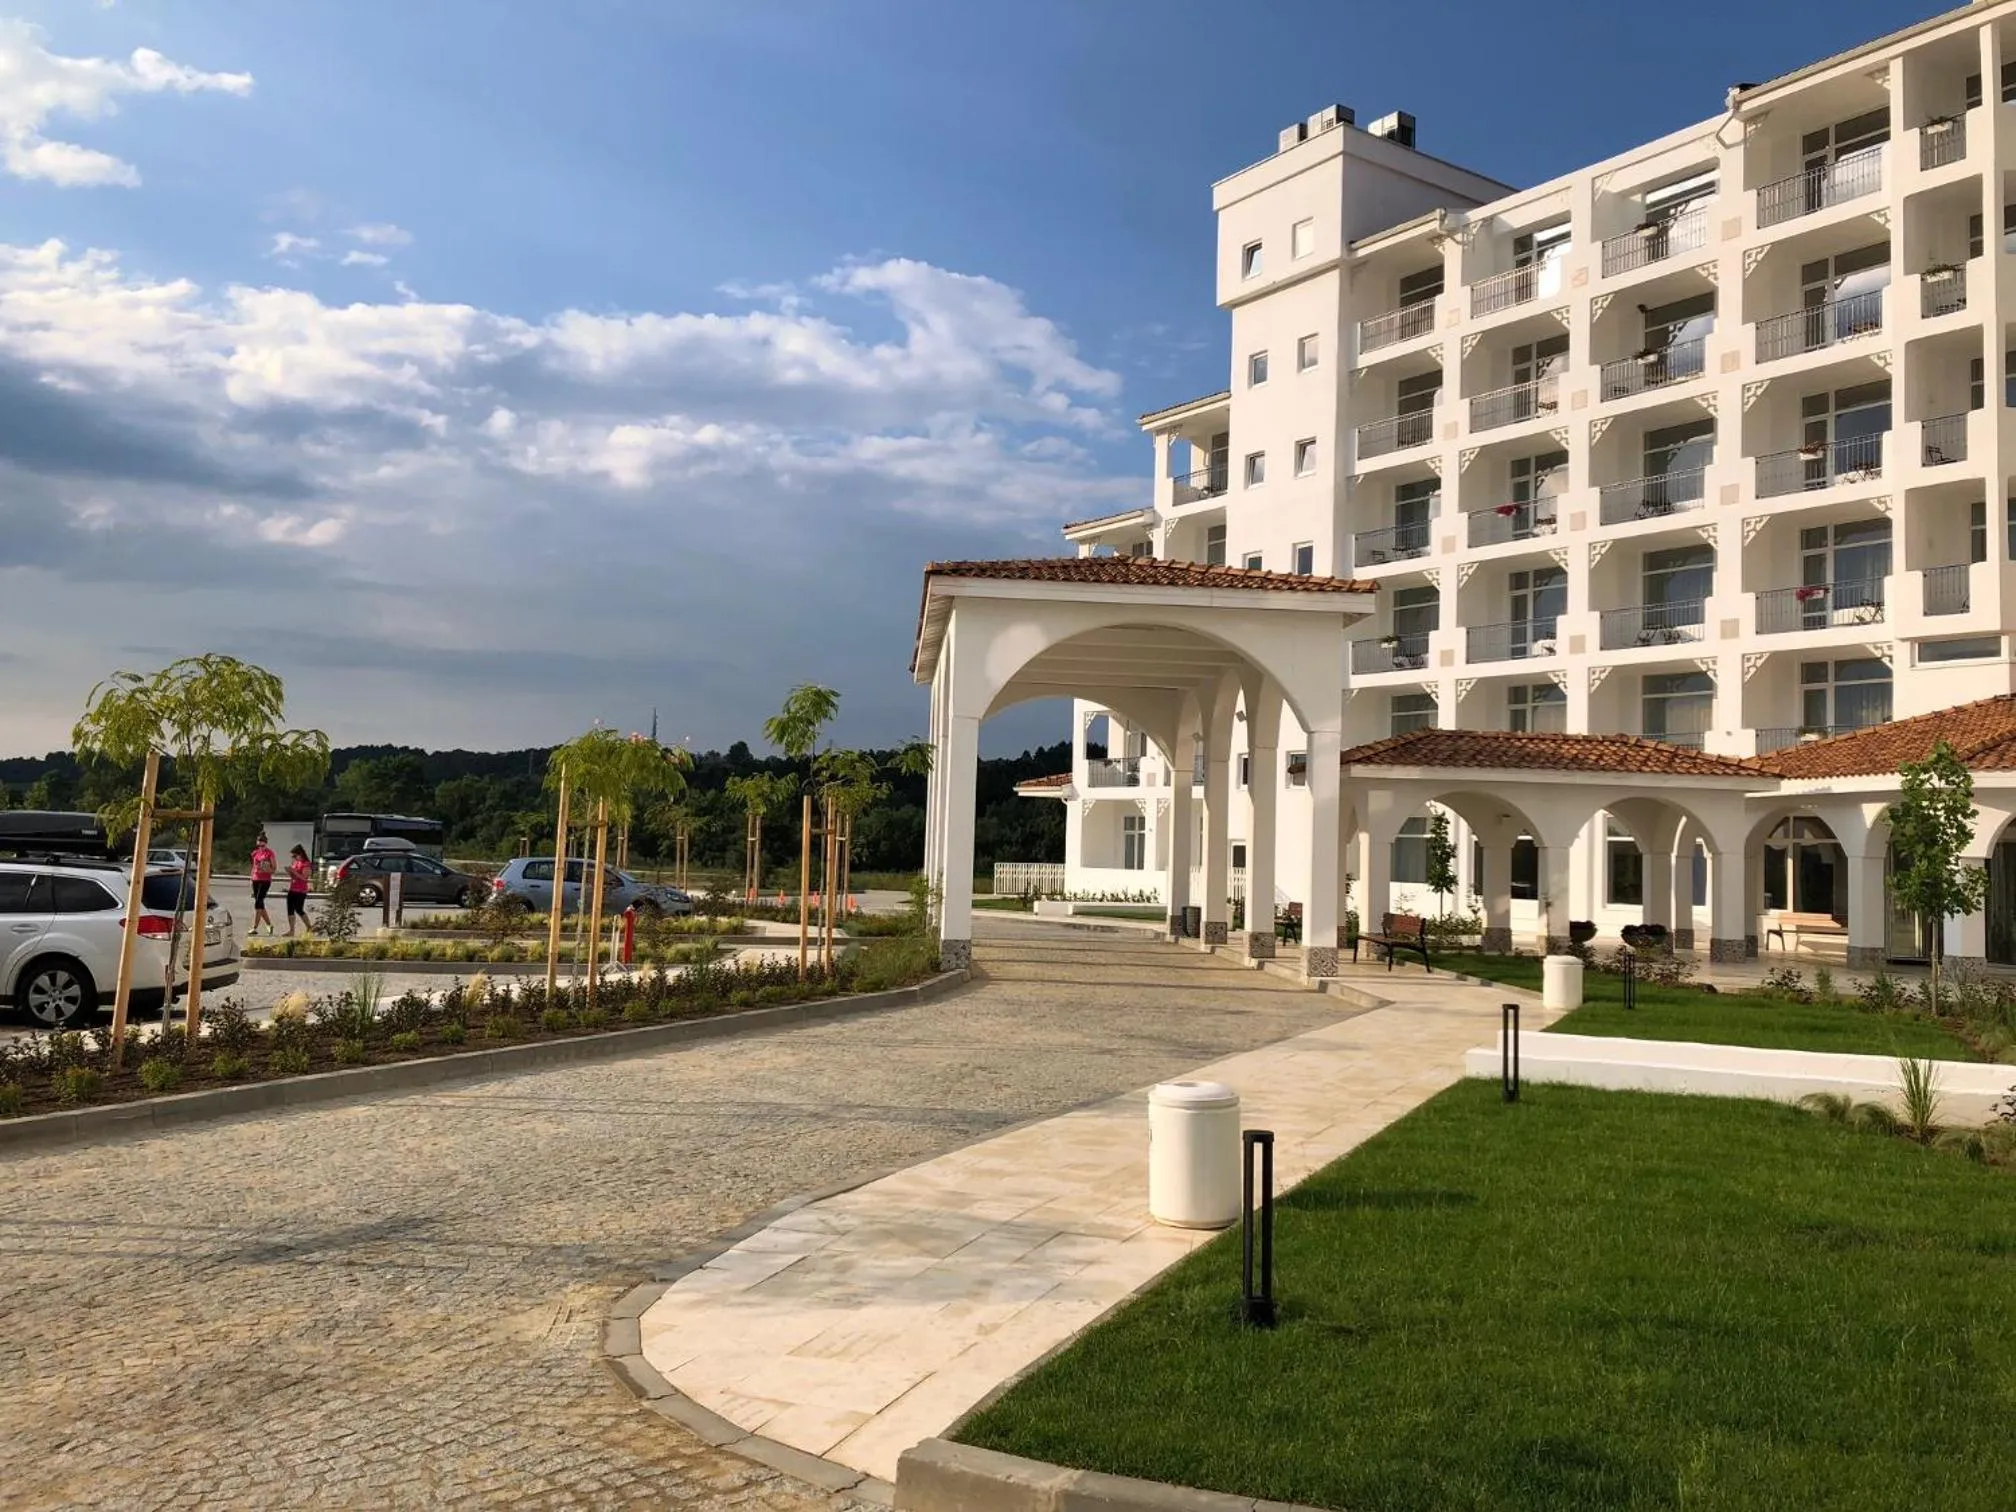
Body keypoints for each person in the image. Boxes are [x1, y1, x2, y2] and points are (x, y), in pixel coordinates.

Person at [249, 833, 277, 936]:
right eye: (259, 845)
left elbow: (274, 868)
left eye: (263, 845)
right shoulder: (255, 853)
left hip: (265, 880)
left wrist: (267, 869)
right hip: (255, 879)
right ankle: (269, 925)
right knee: (260, 904)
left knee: (258, 902)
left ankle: (254, 927)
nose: (261, 847)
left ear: (266, 844)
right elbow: (254, 866)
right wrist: (251, 876)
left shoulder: (270, 853)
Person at [285, 844, 314, 938]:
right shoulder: (296, 863)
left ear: (300, 854)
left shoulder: (306, 864)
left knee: (299, 909)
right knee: (290, 909)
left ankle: (309, 927)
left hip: (301, 890)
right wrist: (290, 872)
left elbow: (304, 878)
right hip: (293, 887)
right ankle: (291, 930)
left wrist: (294, 872)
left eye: (295, 855)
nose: (294, 858)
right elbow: (294, 876)